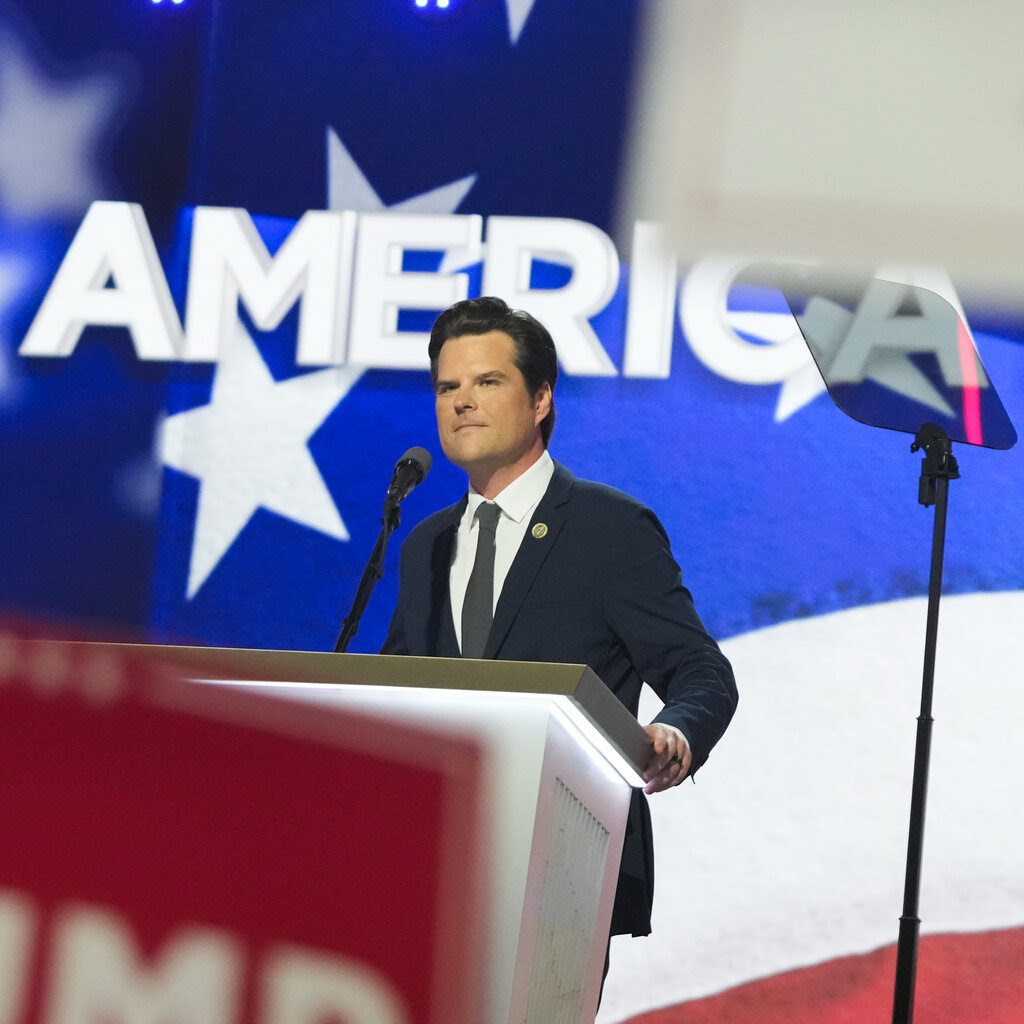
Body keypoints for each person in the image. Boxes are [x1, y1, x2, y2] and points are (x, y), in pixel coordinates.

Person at [381, 295, 737, 944]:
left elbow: (701, 671)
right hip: (434, 867)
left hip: (563, 867)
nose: (462, 401)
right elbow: (394, 689)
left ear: (541, 398)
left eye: (488, 381)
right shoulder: (424, 545)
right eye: (447, 387)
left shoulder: (609, 530)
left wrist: (673, 734)